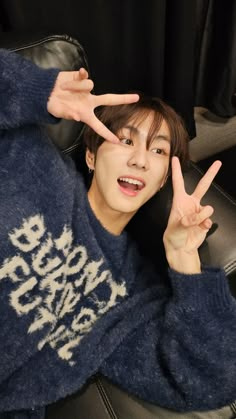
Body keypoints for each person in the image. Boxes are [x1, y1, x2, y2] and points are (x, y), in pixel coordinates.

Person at [0, 48, 235, 419]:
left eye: (158, 151)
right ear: (91, 155)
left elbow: (215, 379)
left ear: (160, 183)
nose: (140, 159)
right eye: (126, 140)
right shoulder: (34, 164)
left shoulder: (130, 294)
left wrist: (186, 261)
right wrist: (36, 89)